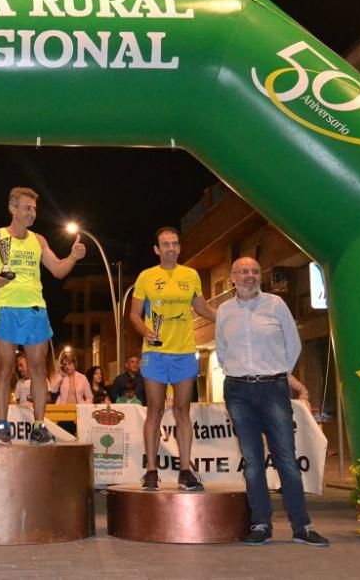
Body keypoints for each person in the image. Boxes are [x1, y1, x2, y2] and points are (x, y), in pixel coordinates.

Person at [217, 257, 329, 547]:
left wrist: (277, 373)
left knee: (286, 460)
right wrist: (240, 373)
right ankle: (260, 525)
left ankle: (302, 527)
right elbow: (222, 350)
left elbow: (294, 345)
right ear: (232, 277)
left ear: (260, 276)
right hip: (238, 392)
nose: (249, 276)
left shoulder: (276, 305)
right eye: (243, 271)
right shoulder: (224, 311)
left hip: (273, 389)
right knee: (252, 462)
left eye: (254, 271)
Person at [0, 186, 86, 445]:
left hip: (35, 309)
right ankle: (2, 428)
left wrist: (73, 257)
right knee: (5, 367)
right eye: (27, 207)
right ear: (13, 208)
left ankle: (38, 427)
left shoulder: (39, 240)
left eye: (34, 208)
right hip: (7, 308)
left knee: (37, 369)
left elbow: (57, 270)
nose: (32, 212)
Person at [129, 227, 215, 492]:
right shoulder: (146, 277)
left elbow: (200, 307)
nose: (170, 248)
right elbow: (134, 314)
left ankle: (185, 470)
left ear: (179, 247)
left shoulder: (190, 275)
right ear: (157, 249)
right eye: (165, 244)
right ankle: (151, 471)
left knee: (182, 411)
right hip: (154, 353)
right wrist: (144, 330)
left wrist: (226, 316)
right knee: (154, 410)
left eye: (174, 244)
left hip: (185, 352)